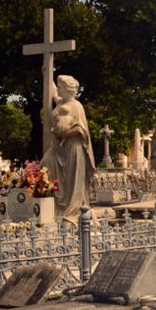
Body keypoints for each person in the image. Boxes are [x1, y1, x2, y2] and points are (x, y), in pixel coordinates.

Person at [41, 75, 96, 225]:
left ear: (68, 90)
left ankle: (73, 213)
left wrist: (64, 133)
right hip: (59, 147)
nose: (58, 89)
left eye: (61, 87)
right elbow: (53, 92)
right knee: (46, 162)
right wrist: (46, 70)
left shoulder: (76, 106)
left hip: (73, 146)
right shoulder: (60, 102)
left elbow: (81, 130)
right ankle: (53, 206)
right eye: (58, 86)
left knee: (73, 180)